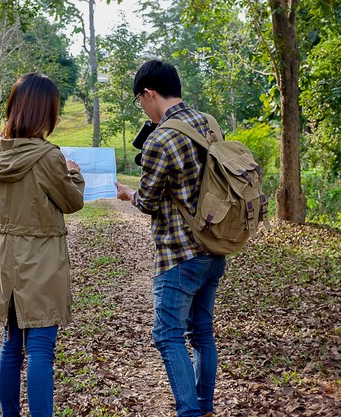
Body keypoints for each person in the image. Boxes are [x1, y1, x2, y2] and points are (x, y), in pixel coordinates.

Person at [115, 59, 226, 417]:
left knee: (167, 335)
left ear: (149, 93)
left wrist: (127, 194)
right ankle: (204, 408)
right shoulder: (208, 123)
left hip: (179, 255)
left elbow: (147, 202)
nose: (142, 108)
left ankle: (190, 413)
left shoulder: (161, 139)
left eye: (140, 101)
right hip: (214, 247)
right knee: (202, 333)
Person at [0, 72, 85, 417]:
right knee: (41, 349)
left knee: (11, 345)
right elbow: (72, 202)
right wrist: (74, 173)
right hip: (42, 258)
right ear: (46, 112)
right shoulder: (47, 156)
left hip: (7, 255)